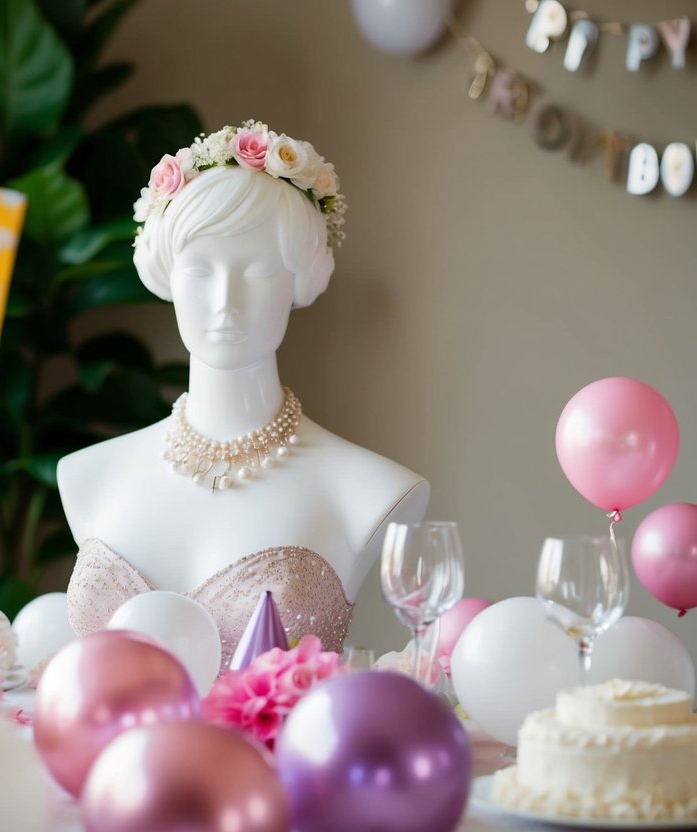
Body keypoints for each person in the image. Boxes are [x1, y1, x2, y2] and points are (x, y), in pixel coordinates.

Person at [58, 121, 428, 667]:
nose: (225, 301)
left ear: (298, 281)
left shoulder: (371, 490)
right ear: (169, 277)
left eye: (256, 271)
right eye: (201, 270)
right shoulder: (88, 476)